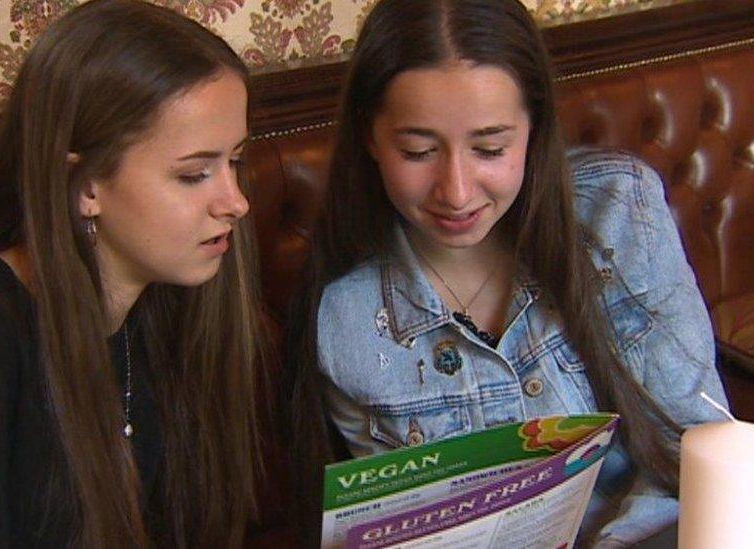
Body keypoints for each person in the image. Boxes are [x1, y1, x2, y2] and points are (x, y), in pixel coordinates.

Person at [289, 0, 728, 546]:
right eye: (418, 150)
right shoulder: (348, 322)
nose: (456, 190)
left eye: (490, 148)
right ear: (370, 138)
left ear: (534, 129)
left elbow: (697, 449)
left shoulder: (618, 211)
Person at [0, 0, 264, 546]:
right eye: (194, 174)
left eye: (237, 162)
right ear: (84, 185)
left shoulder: (168, 305)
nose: (235, 202)